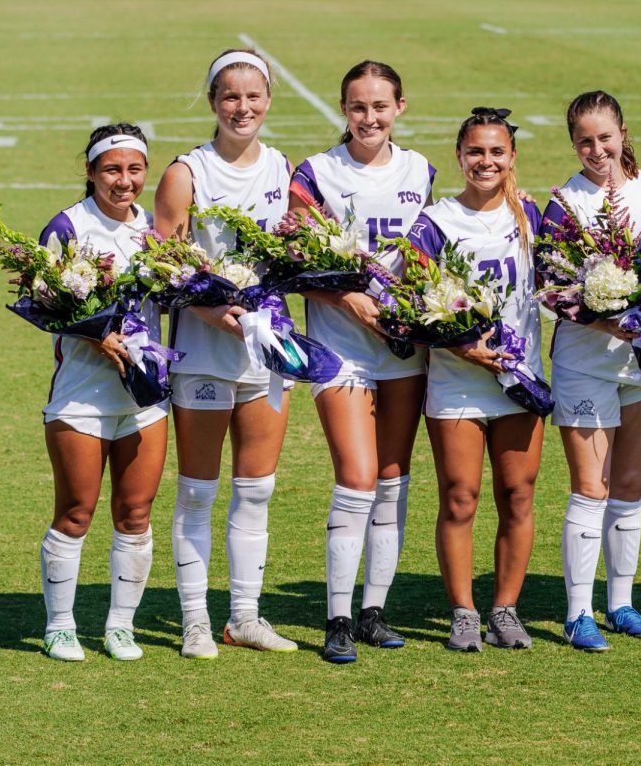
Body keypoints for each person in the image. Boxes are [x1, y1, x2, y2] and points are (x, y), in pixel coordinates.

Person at [287, 60, 435, 663]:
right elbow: (292, 263)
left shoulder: (420, 170)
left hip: (402, 349)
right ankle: (337, 619)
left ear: (400, 107)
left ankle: (374, 611)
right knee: (357, 476)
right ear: (342, 110)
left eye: (379, 106)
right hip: (340, 349)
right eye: (356, 107)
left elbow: (429, 253)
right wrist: (348, 298)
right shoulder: (317, 173)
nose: (368, 117)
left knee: (393, 479)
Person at [154, 48, 297, 659]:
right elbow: (165, 269)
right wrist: (223, 315)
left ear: (268, 100)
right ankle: (193, 619)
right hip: (205, 350)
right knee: (197, 489)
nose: (243, 107)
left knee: (257, 488)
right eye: (231, 97)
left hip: (264, 352)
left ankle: (244, 616)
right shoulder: (186, 173)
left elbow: (291, 255)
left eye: (254, 96)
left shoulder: (283, 167)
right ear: (213, 102)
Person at [407, 107, 544, 652]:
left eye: (496, 152)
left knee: (518, 494)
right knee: (460, 496)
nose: (485, 161)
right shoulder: (435, 222)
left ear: (512, 157)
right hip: (457, 380)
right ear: (459, 156)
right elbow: (412, 304)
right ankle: (463, 612)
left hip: (517, 378)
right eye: (475, 152)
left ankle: (505, 609)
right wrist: (461, 344)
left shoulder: (530, 215)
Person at [544, 91, 641, 651]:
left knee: (628, 486)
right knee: (590, 488)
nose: (596, 149)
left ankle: (620, 602)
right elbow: (550, 291)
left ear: (623, 131)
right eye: (584, 141)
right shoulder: (564, 203)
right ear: (573, 144)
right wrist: (607, 324)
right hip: (584, 362)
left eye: (604, 137)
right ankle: (579, 613)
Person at [38, 124, 166, 662]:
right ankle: (60, 626)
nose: (124, 181)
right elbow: (42, 303)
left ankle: (120, 627)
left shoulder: (158, 231)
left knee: (135, 513)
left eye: (134, 169)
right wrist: (96, 331)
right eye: (112, 170)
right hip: (81, 397)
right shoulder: (67, 227)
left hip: (144, 399)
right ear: (90, 172)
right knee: (75, 510)